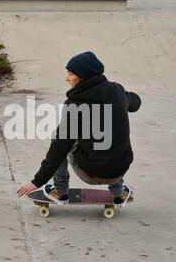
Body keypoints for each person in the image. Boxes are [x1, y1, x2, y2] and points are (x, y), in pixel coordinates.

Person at [17, 51, 141, 208]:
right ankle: (118, 192)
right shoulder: (117, 91)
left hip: (90, 174)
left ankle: (60, 192)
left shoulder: (75, 106)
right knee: (113, 133)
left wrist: (37, 182)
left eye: (70, 74)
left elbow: (59, 149)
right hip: (119, 171)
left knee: (59, 138)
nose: (66, 78)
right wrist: (124, 96)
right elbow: (136, 103)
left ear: (83, 77)